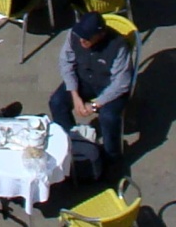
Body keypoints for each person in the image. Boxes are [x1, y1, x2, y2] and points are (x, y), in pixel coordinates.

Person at [48, 11, 133, 164]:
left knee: (108, 117)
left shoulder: (119, 46)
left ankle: (112, 157)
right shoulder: (74, 35)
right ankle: (71, 142)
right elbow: (66, 62)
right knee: (57, 102)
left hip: (109, 87)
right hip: (84, 80)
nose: (82, 40)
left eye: (87, 38)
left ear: (100, 35)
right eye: (81, 36)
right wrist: (75, 95)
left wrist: (95, 105)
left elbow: (121, 83)